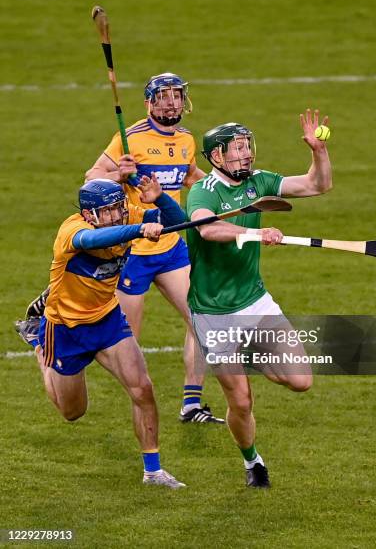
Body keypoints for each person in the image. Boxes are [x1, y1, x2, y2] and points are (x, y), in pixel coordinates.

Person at [186, 109, 333, 488]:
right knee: (242, 403)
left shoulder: (260, 182)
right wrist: (255, 232)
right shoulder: (205, 191)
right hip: (213, 313)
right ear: (216, 157)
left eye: (247, 146)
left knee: (301, 380)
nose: (246, 154)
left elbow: (317, 186)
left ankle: (251, 355)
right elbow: (207, 229)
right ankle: (252, 462)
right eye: (237, 149)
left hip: (255, 303)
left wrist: (318, 151)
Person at [25, 176, 187, 488]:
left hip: (108, 319)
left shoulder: (129, 216)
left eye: (119, 207)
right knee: (73, 412)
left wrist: (160, 200)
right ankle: (37, 342)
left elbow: (178, 222)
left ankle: (153, 471)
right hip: (66, 329)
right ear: (89, 215)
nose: (118, 214)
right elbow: (91, 242)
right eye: (109, 210)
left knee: (142, 388)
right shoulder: (72, 230)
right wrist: (140, 230)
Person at [84, 72, 223, 424]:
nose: (172, 101)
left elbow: (192, 177)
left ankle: (191, 404)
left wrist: (226, 187)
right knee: (121, 343)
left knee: (203, 320)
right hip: (133, 252)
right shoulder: (129, 139)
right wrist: (119, 174)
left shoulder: (187, 140)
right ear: (150, 102)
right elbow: (91, 179)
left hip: (172, 246)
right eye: (164, 96)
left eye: (177, 95)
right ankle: (54, 337)